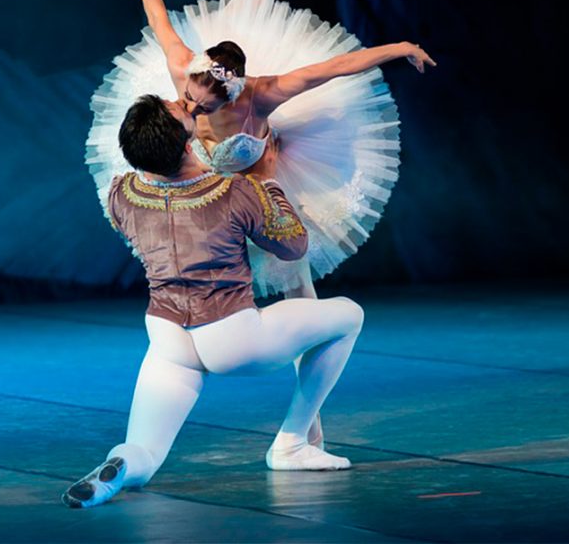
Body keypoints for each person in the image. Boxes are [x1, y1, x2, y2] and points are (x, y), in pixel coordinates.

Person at [87, 0, 435, 300]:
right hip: (208, 193)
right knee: (238, 15)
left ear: (231, 97)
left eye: (205, 107)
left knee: (293, 271)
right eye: (189, 99)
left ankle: (309, 337)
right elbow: (158, 17)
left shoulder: (262, 96)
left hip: (260, 182)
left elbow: (334, 67)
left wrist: (400, 47)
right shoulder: (183, 66)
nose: (191, 109)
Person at [64, 94, 365, 509]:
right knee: (349, 314)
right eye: (179, 111)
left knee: (145, 453)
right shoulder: (233, 192)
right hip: (234, 337)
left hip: (167, 338)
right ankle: (292, 442)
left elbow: (165, 183)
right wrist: (268, 181)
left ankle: (120, 464)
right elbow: (294, 246)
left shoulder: (122, 194)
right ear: (187, 141)